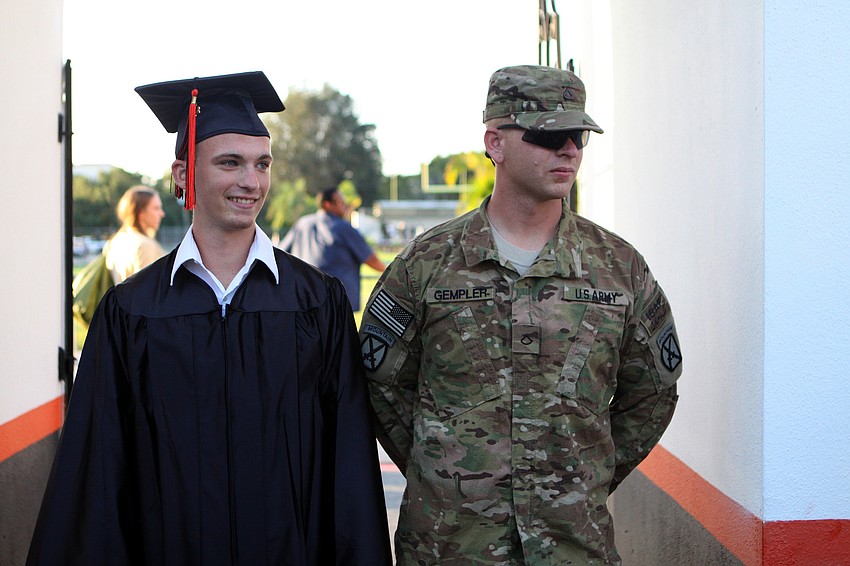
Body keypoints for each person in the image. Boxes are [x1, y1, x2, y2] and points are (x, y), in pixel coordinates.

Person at [28, 71, 392, 566]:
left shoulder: (316, 303)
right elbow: (99, 470)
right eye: (230, 162)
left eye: (262, 164)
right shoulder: (132, 310)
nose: (251, 181)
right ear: (183, 175)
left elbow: (348, 464)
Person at [358, 64, 683, 565]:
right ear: (496, 142)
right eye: (547, 135)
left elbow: (654, 392)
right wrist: (444, 465)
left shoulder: (619, 269)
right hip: (452, 548)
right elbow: (379, 385)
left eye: (577, 136)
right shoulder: (427, 264)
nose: (568, 150)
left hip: (573, 547)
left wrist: (583, 473)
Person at [280, 187, 385, 311]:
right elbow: (371, 259)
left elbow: (280, 253)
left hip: (302, 299)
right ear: (327, 204)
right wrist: (391, 273)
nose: (345, 206)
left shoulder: (302, 223)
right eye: (340, 202)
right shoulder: (343, 227)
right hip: (335, 302)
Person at [103, 185, 166, 283]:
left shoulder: (115, 241)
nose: (162, 214)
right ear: (140, 212)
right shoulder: (144, 245)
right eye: (156, 208)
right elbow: (147, 292)